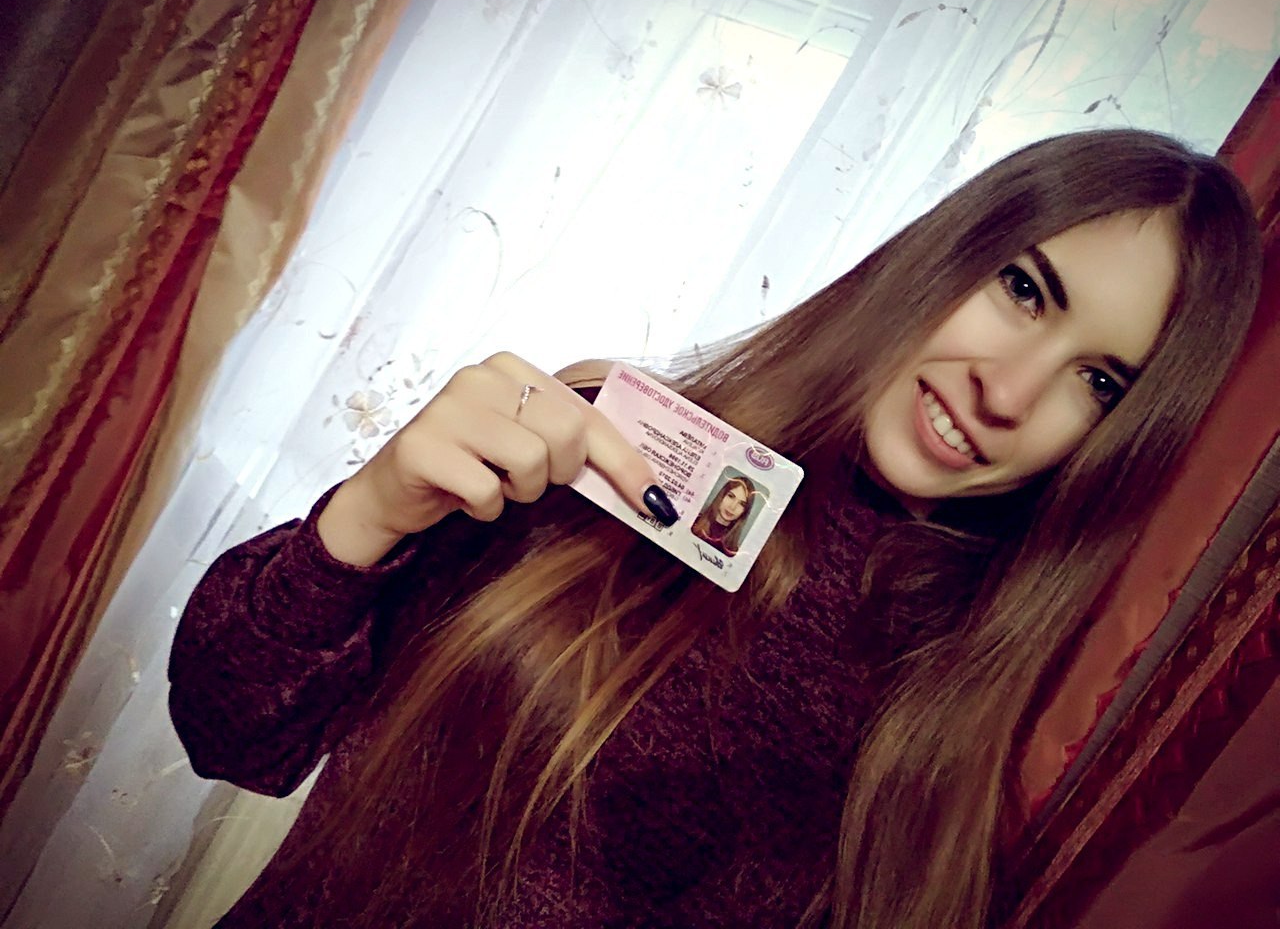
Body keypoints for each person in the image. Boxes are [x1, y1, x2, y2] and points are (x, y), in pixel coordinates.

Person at [168, 129, 1262, 929]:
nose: (1009, 392)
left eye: (1099, 383)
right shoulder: (599, 447)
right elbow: (234, 738)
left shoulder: (964, 711)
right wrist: (369, 513)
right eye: (1023, 290)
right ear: (946, 253)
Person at [689, 474, 758, 556]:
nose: (732, 506)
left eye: (742, 504)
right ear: (722, 495)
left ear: (745, 511)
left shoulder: (733, 552)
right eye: (731, 496)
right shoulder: (691, 521)